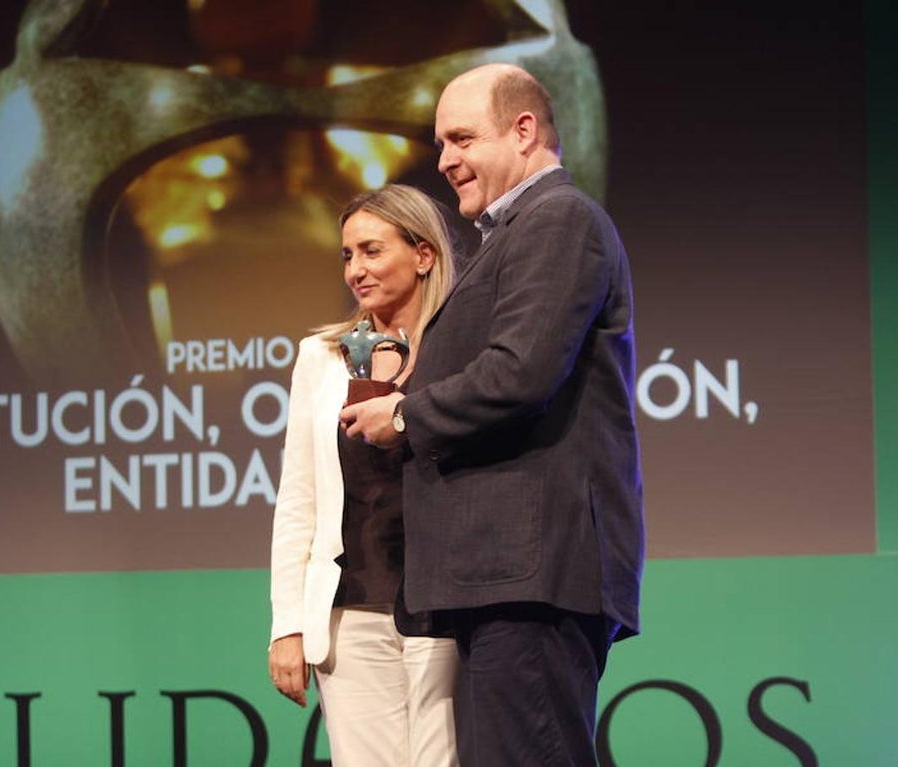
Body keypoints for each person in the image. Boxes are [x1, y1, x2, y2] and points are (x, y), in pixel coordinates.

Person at [339, 63, 645, 766]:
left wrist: (407, 414)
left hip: (530, 570)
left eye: (462, 138)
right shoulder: (512, 232)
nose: (444, 160)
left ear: (525, 130)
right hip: (500, 574)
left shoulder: (560, 219)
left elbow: (520, 372)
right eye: (440, 142)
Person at [268, 184, 461, 766]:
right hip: (349, 607)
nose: (356, 270)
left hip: (446, 604)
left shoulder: (461, 350)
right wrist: (288, 624)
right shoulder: (320, 356)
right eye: (348, 255)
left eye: (372, 251)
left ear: (423, 255)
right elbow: (298, 496)